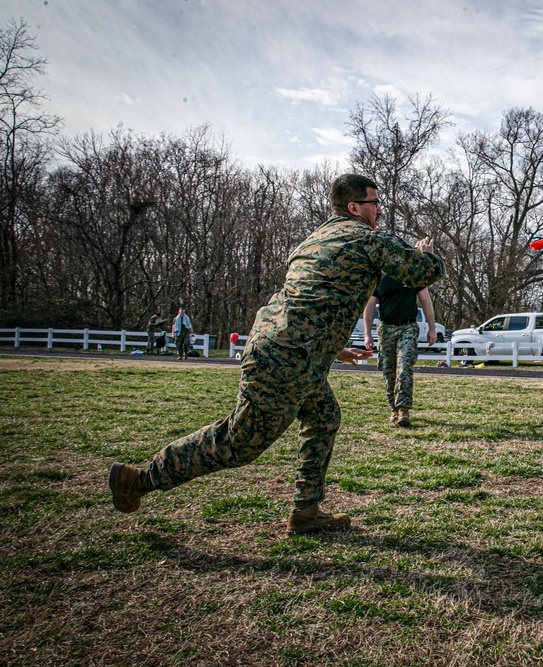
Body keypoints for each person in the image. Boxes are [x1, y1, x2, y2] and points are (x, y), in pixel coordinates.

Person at [109, 174, 445, 535]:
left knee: (324, 416)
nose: (379, 210)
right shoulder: (366, 237)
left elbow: (313, 299)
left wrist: (334, 349)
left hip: (287, 348)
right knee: (238, 442)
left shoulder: (314, 240)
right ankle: (139, 479)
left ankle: (306, 512)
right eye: (374, 203)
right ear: (354, 208)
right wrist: (424, 253)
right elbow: (425, 272)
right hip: (289, 357)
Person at [363, 275, 438, 427]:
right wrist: (367, 333)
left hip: (408, 327)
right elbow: (370, 306)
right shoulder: (379, 278)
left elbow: (426, 301)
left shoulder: (413, 274)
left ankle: (403, 409)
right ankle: (393, 408)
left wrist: (432, 329)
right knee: (388, 369)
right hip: (386, 329)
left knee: (404, 366)